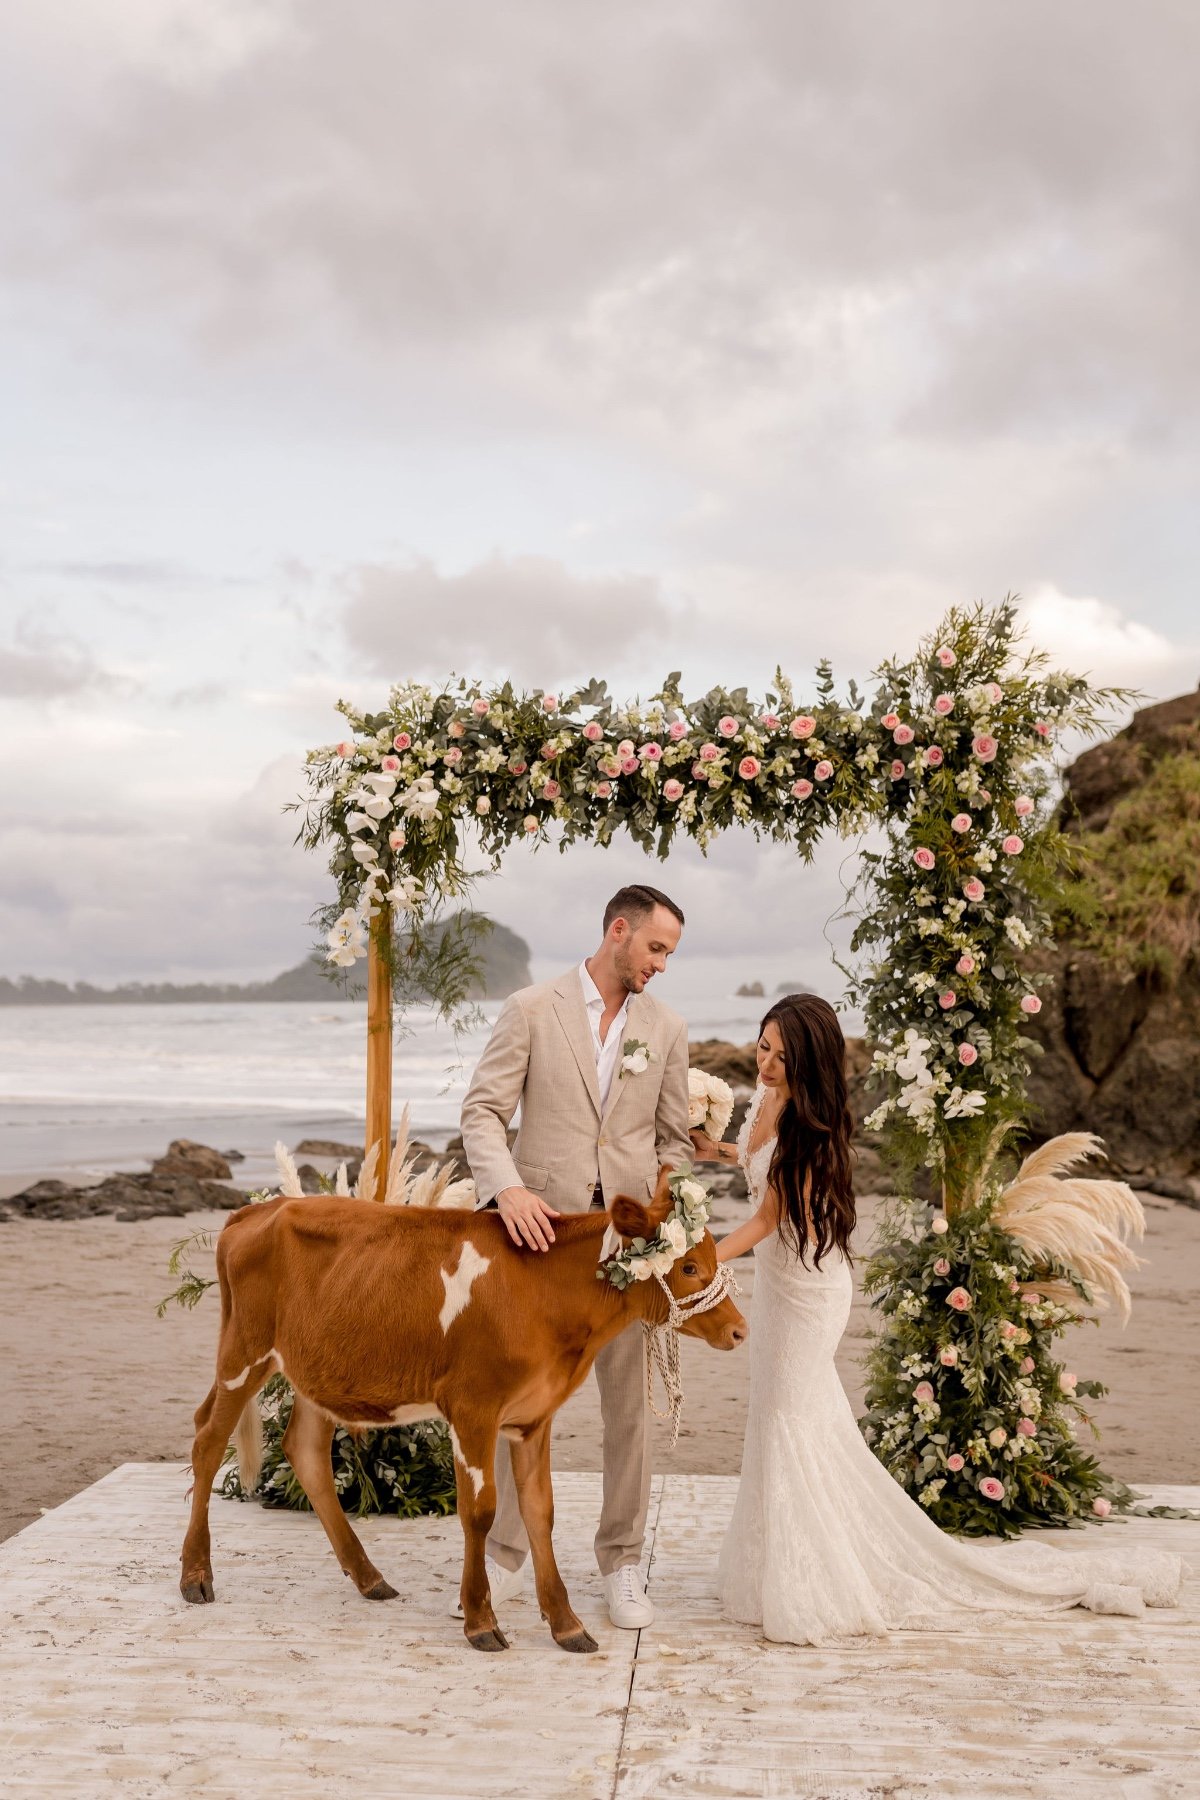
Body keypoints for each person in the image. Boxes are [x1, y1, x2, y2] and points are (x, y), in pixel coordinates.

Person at [690, 992, 1182, 1645]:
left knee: (790, 1417)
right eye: (763, 1046)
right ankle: (773, 1564)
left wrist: (693, 1263)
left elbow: (762, 1219)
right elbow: (751, 1163)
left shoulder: (806, 1130)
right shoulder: (767, 1102)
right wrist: (713, 1151)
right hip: (778, 1288)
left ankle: (819, 1572)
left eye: (782, 1054)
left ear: (809, 1061)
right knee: (780, 1416)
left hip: (808, 1294)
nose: (767, 1063)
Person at [460, 883, 693, 1629]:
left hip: (627, 1255)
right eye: (655, 947)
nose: (661, 964)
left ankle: (622, 1563)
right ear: (617, 931)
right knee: (512, 1403)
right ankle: (499, 1556)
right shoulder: (531, 1010)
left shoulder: (668, 1027)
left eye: (669, 953)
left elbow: (673, 1144)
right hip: (537, 1246)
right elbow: (484, 1114)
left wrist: (663, 1212)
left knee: (629, 1413)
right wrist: (508, 1192)